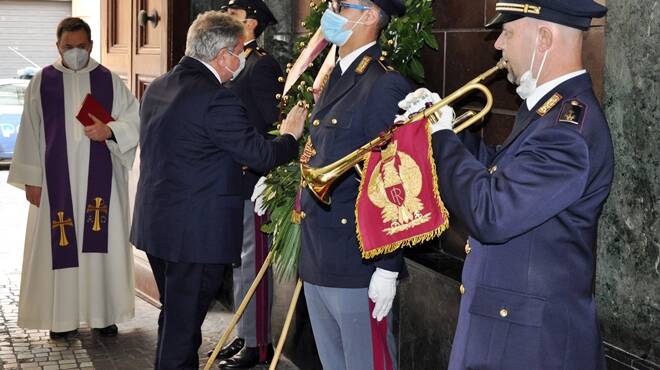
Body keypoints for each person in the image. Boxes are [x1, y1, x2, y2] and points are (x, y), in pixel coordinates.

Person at [424, 1, 613, 369]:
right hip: (511, 334)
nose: (497, 45)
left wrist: (443, 140)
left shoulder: (568, 131)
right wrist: (450, 128)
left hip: (531, 348)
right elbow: (499, 173)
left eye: (508, 33)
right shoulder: (547, 115)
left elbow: (492, 212)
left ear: (544, 38)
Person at [130, 11, 305, 369]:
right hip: (194, 236)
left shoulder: (161, 85)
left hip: (158, 226)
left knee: (175, 320)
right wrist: (291, 135)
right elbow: (259, 154)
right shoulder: (215, 98)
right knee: (183, 331)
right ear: (224, 55)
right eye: (240, 51)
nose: (241, 59)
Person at [290, 1, 412, 369]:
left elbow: (394, 175)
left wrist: (388, 266)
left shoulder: (383, 82)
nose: (333, 11)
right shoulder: (337, 75)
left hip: (358, 261)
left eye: (342, 5)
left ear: (370, 15)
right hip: (319, 254)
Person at [7, 17, 139, 339]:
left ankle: (102, 315)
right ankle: (62, 319)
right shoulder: (43, 81)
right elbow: (30, 132)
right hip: (56, 187)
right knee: (60, 247)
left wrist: (110, 130)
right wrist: (32, 180)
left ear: (91, 46)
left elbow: (136, 120)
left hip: (102, 185)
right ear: (58, 47)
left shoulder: (109, 80)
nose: (76, 52)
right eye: (69, 47)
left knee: (100, 246)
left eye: (81, 47)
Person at [216, 1, 282, 367]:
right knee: (240, 266)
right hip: (232, 179)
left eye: (234, 17)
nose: (227, 21)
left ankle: (258, 344)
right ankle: (243, 336)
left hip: (253, 181)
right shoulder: (234, 61)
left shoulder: (261, 65)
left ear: (252, 24)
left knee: (252, 264)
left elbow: (272, 127)